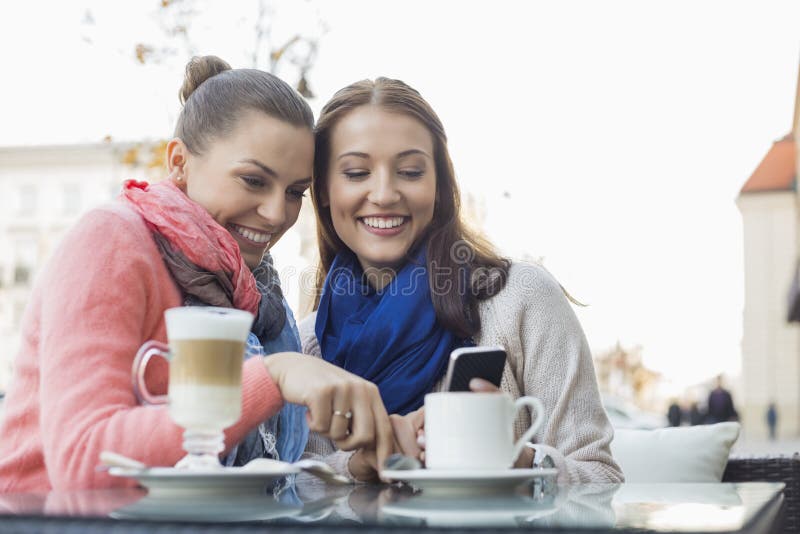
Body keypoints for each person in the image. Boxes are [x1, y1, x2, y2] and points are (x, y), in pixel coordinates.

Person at [0, 56, 393, 492]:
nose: (276, 212)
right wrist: (273, 375)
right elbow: (83, 465)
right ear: (180, 163)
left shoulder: (262, 292)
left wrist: (352, 466)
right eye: (253, 180)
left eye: (295, 192)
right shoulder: (111, 241)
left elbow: (267, 476)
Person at [300, 77, 623, 484]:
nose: (383, 193)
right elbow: (297, 489)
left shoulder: (523, 299)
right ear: (325, 190)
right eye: (357, 172)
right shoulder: (307, 344)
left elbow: (601, 478)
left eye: (411, 171)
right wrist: (357, 467)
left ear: (439, 187)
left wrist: (518, 461)